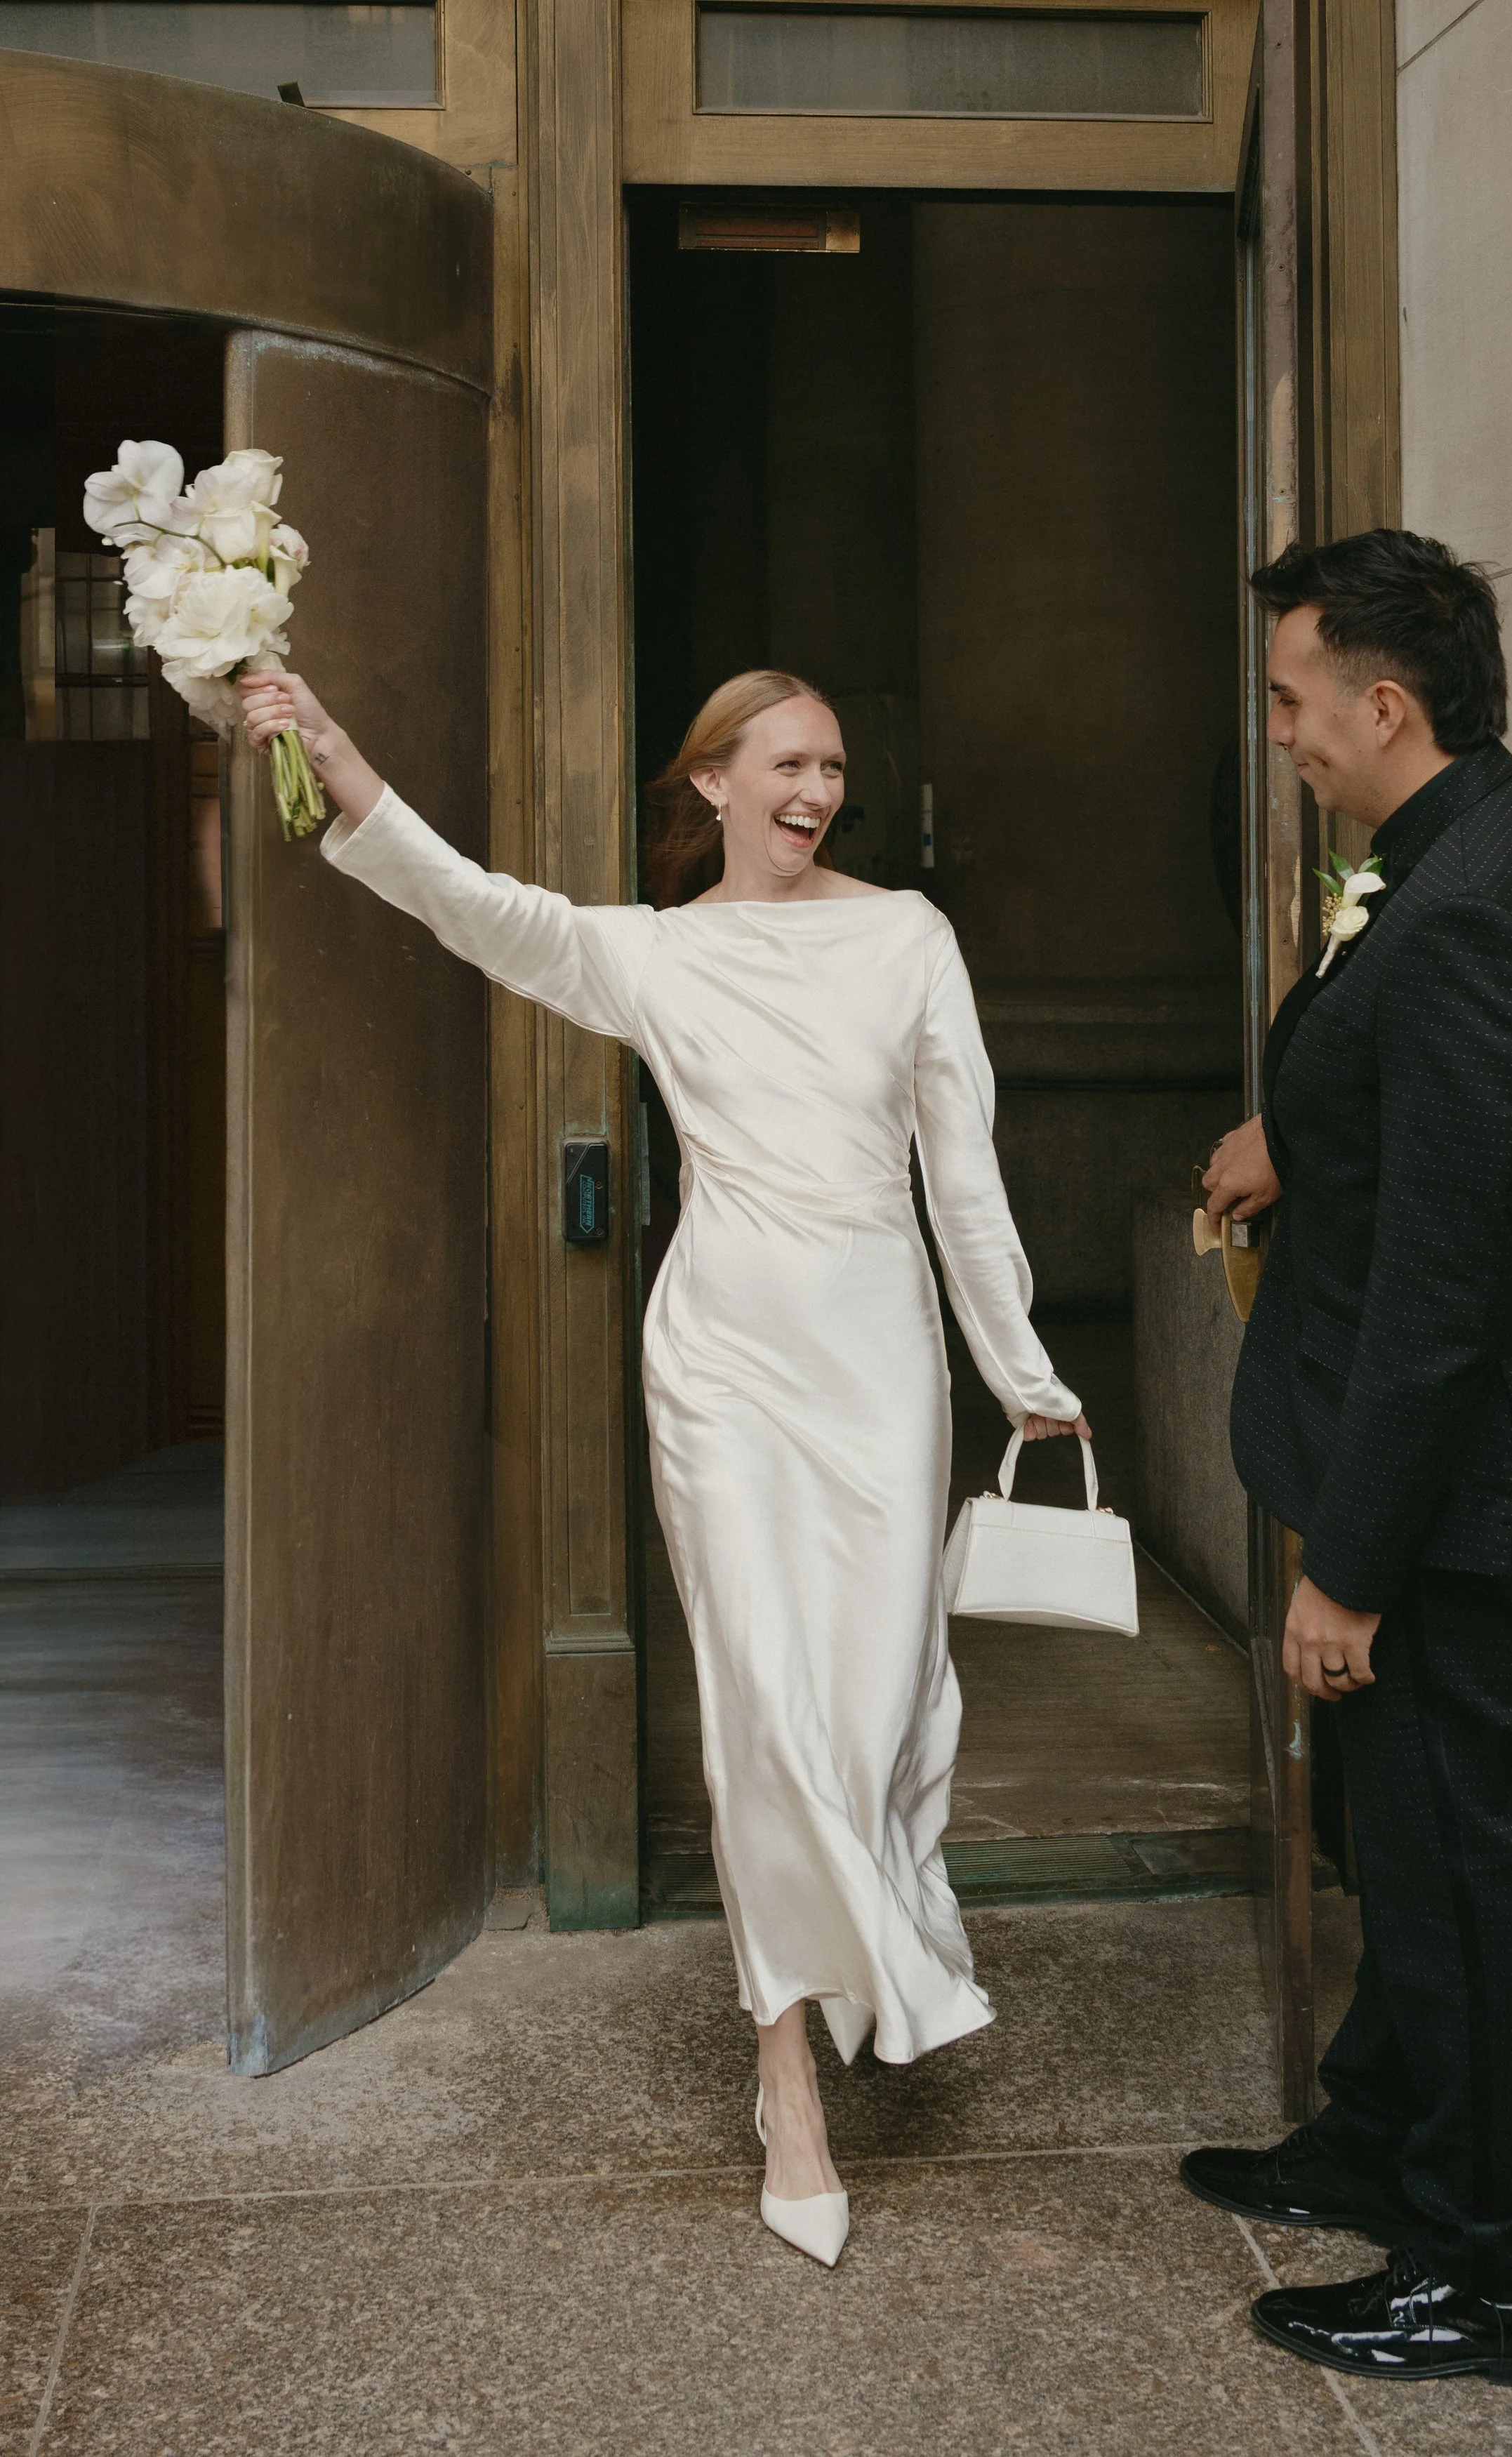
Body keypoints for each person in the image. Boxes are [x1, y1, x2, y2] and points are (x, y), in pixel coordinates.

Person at [239, 665, 1089, 2270]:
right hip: (721, 1361)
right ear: (710, 783)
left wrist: (1019, 1367)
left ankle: (856, 1944)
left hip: (877, 1362)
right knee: (762, 1697)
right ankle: (786, 2077)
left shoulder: (908, 936)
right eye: (785, 761)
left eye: (833, 764)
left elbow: (959, 1171)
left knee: (864, 1696)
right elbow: (474, 906)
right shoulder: (655, 950)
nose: (815, 789)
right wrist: (338, 754)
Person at [1186, 531, 1512, 2390]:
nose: (1279, 735)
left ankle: (1490, 2272)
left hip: (1439, 1493)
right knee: (1407, 1839)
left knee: (1453, 1866)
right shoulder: (1464, 837)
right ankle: (1381, 2128)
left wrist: (1343, 1564)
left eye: (1293, 702)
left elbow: (1444, 1280)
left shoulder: (1461, 904)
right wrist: (1297, 1126)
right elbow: (1424, 1120)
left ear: (1383, 702)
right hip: (1424, 1459)